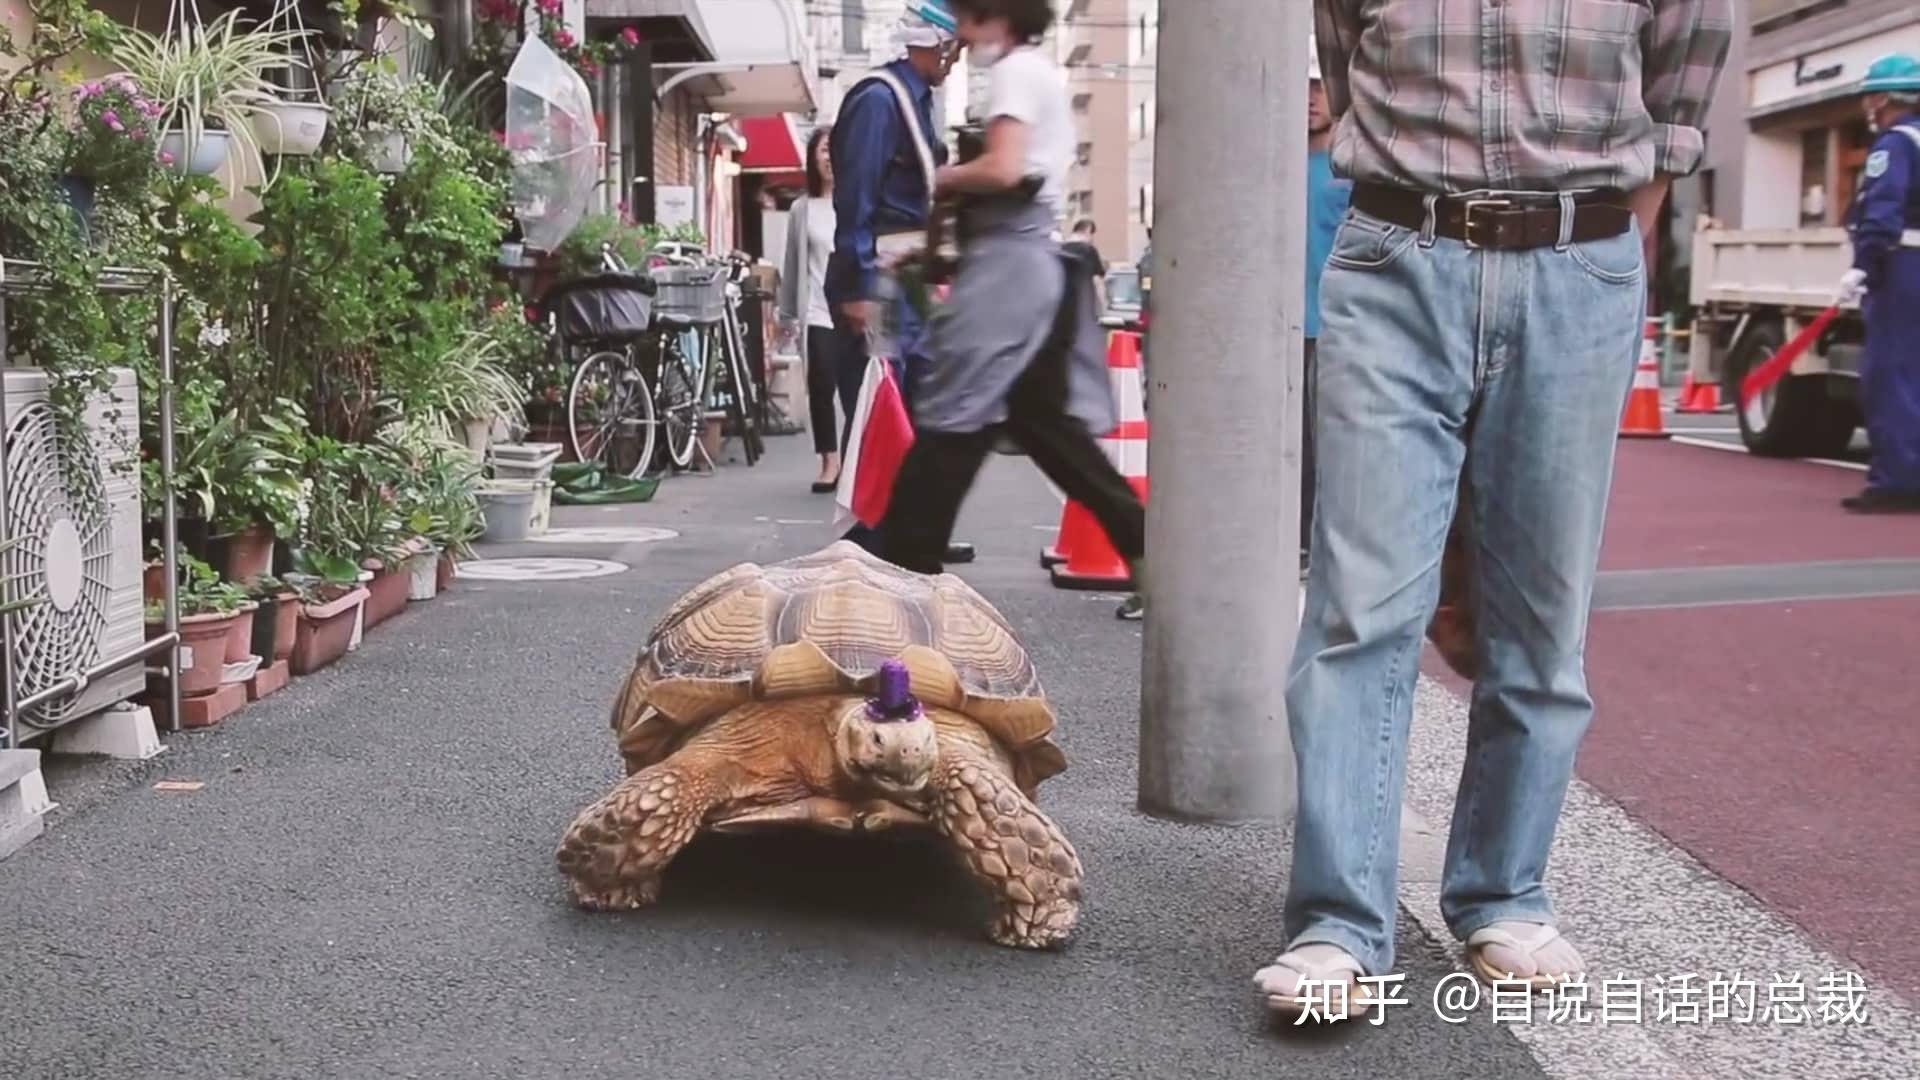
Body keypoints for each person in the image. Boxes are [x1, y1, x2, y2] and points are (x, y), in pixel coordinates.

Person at [1254, 0, 1734, 1021]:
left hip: (1580, 261)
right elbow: (1348, 65)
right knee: (1359, 610)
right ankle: (1340, 923)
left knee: (1540, 618)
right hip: (1396, 255)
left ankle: (1501, 893)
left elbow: (1683, 84)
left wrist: (1607, 242)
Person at [872, 0, 1146, 592]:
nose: (960, 36)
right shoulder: (1041, 71)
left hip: (1007, 269)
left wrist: (943, 178)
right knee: (1042, 423)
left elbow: (1003, 169)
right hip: (1027, 264)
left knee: (954, 415)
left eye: (966, 19)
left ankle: (903, 574)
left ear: (994, 15)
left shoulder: (1016, 72)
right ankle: (1146, 549)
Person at [825, 0, 974, 562]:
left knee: (915, 407)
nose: (955, 60)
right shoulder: (878, 101)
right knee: (877, 410)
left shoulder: (914, 102)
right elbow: (855, 199)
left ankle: (911, 534)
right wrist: (859, 286)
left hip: (908, 282)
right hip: (881, 283)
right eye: (952, 47)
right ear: (933, 42)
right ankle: (868, 543)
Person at [1838, 53, 1920, 514]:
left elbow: (1882, 210)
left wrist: (1864, 265)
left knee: (1891, 375)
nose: (1868, 105)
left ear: (1886, 97)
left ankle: (1898, 482)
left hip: (1903, 267)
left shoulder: (1896, 144)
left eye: (1871, 96)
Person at [1299, 39, 1352, 579]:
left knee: (1328, 445)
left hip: (1335, 321)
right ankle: (1292, 542)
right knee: (1287, 447)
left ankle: (1320, 547)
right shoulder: (1276, 171)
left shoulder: (1352, 169)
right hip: (1280, 326)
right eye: (1303, 88)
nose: (1311, 98)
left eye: (1319, 87)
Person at [779, 126, 854, 493]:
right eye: (822, 150)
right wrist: (787, 316)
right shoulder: (802, 208)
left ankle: (858, 461)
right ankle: (830, 461)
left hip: (854, 309)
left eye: (834, 150)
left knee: (858, 389)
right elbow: (792, 263)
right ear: (812, 158)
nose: (828, 157)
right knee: (821, 385)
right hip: (819, 310)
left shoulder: (858, 201)